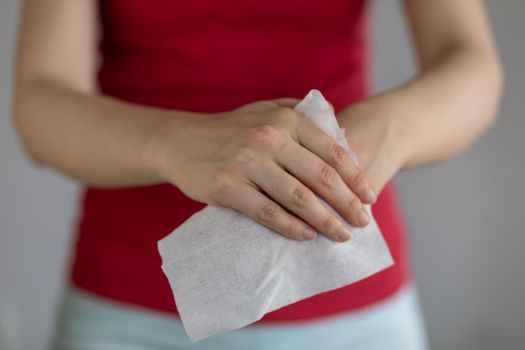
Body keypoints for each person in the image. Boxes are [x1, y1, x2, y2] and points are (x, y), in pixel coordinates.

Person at [12, 0, 502, 349]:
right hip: (129, 311)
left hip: (351, 309)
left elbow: (470, 61)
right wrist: (179, 142)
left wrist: (381, 133)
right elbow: (40, 100)